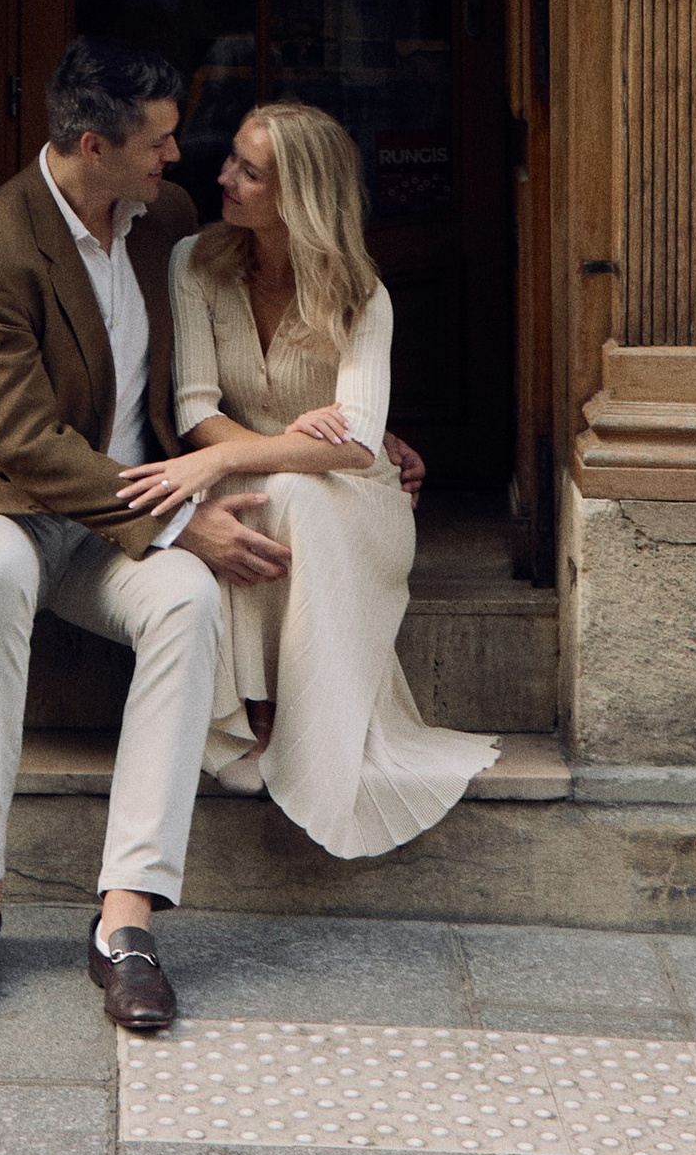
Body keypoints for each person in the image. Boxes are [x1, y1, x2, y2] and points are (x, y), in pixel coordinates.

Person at [0, 34, 292, 1033]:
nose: (175, 158)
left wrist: (345, 435)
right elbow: (27, 444)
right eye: (158, 142)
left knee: (191, 601)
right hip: (1, 502)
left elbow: (240, 343)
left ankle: (126, 917)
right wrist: (176, 518)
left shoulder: (163, 220)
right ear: (91, 144)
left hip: (113, 532)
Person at [118, 99, 498, 858]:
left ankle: (279, 718)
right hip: (269, 486)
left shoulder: (364, 296)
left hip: (362, 507)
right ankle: (258, 713)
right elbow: (194, 408)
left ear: (298, 198)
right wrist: (276, 446)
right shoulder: (193, 262)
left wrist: (233, 455)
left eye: (247, 171)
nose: (222, 176)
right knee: (270, 490)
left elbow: (356, 447)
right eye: (231, 158)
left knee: (269, 489)